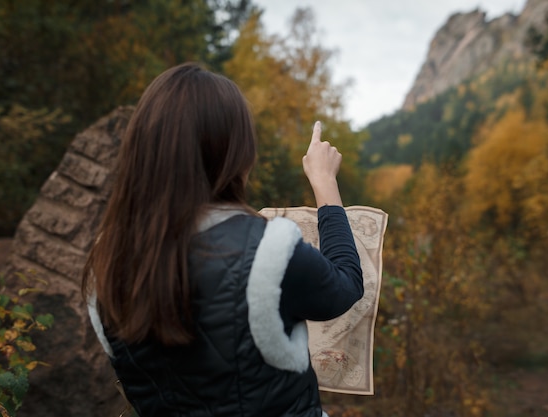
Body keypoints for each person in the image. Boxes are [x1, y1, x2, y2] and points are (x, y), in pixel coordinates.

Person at [82, 62, 363, 417]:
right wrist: (324, 182)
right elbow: (347, 285)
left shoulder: (103, 263)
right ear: (234, 153)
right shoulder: (268, 250)